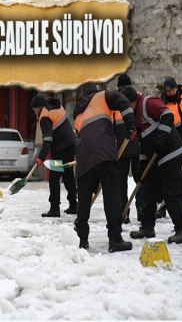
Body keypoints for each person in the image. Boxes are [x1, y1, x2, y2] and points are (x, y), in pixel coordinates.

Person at [73, 84, 135, 252]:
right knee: (112, 196)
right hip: (104, 154)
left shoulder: (78, 114)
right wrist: (131, 124)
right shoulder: (102, 96)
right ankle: (115, 240)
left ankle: (82, 240)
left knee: (84, 201)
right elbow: (122, 100)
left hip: (84, 159)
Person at [126, 85, 182, 244]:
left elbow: (167, 116)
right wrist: (141, 168)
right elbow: (144, 144)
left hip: (171, 154)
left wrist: (161, 138)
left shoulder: (148, 103)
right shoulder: (134, 115)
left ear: (133, 100)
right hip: (155, 158)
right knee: (148, 191)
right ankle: (147, 227)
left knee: (170, 193)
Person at [31, 93, 78, 218]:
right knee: (68, 176)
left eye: (34, 109)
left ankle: (55, 208)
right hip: (71, 144)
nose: (35, 112)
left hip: (61, 148)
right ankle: (74, 205)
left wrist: (40, 158)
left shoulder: (44, 115)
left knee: (54, 178)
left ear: (38, 107)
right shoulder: (55, 106)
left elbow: (47, 139)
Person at [154, 77, 182, 219]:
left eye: (172, 89)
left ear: (177, 87)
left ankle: (181, 208)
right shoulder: (164, 106)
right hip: (175, 149)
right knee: (171, 178)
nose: (170, 92)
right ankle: (163, 207)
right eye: (168, 90)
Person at [114, 74, 142, 224]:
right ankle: (137, 211)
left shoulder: (117, 101)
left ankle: (127, 212)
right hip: (130, 147)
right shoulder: (134, 99)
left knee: (123, 182)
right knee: (137, 181)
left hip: (127, 146)